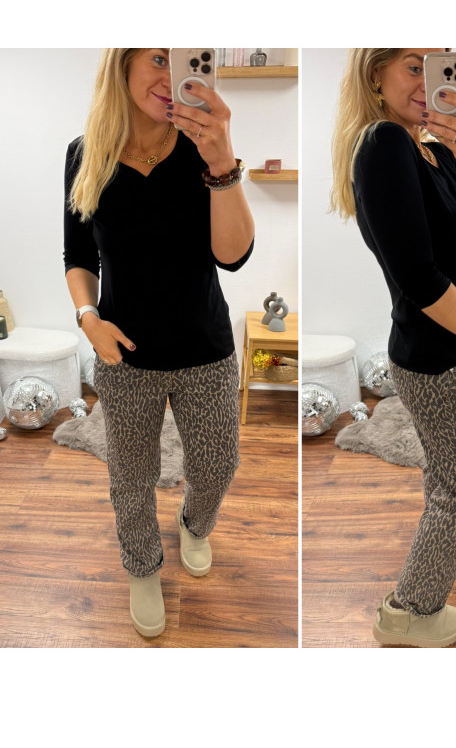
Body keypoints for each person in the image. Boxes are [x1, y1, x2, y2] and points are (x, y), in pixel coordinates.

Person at [63, 49, 254, 638]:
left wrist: (222, 161)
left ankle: (194, 525)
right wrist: (88, 319)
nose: (172, 78)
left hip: (206, 348)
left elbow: (234, 256)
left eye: (185, 58)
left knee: (218, 465)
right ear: (123, 64)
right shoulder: (85, 153)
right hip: (125, 354)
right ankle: (142, 566)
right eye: (158, 59)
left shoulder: (203, 145)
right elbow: (78, 255)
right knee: (131, 476)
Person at [330, 48, 456, 647]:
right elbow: (415, 272)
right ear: (374, 75)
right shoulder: (383, 143)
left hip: (449, 346)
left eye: (437, 67)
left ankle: (451, 540)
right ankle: (407, 612)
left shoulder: (432, 149)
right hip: (439, 349)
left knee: (447, 463)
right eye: (413, 66)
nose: (427, 82)